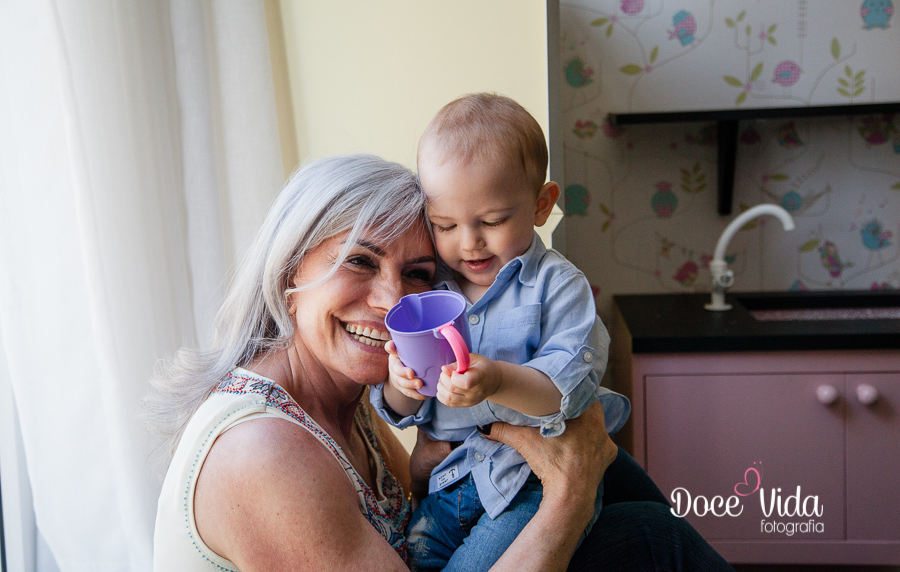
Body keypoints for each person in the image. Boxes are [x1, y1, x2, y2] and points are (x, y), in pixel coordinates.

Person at [146, 153, 734, 572]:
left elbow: (408, 513)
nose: (391, 301)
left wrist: (431, 462)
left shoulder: (350, 399)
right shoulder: (263, 453)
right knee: (652, 535)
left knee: (646, 522)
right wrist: (569, 499)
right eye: (359, 262)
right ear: (290, 270)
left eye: (419, 276)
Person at [370, 93, 628, 572]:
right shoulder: (433, 288)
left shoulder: (557, 286)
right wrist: (399, 383)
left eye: (491, 221)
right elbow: (403, 408)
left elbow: (566, 390)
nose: (468, 243)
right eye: (444, 224)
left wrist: (498, 382)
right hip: (448, 485)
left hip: (528, 484)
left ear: (540, 204)